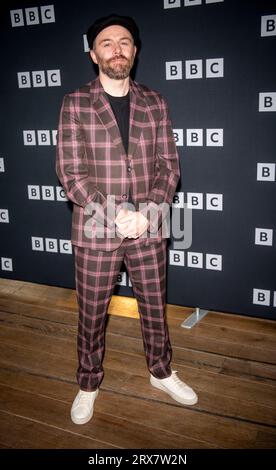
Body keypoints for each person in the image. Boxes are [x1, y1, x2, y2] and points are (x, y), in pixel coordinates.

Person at [56, 14, 198, 425]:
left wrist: (149, 212)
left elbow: (168, 167)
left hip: (148, 228)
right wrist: (116, 213)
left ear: (134, 52)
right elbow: (70, 172)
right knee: (92, 312)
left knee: (154, 306)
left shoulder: (156, 102)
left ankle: (161, 371)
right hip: (97, 227)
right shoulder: (75, 103)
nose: (116, 48)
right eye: (106, 42)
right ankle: (88, 383)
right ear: (93, 54)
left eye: (124, 42)